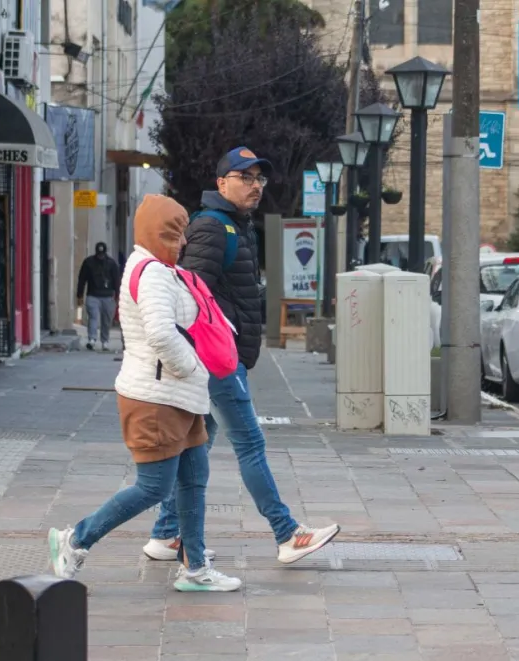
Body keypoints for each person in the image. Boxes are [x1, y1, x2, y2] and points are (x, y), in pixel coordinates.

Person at [143, 147, 340, 565]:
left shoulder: (238, 226)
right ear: (221, 183)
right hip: (216, 362)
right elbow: (189, 296)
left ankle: (165, 533)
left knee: (196, 447)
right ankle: (287, 533)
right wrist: (203, 357)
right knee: (250, 443)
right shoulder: (214, 228)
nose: (255, 186)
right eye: (245, 177)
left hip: (222, 358)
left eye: (259, 179)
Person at [49, 194, 241, 592]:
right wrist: (192, 368)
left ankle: (195, 567)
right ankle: (76, 539)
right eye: (176, 233)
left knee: (194, 479)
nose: (183, 242)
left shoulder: (161, 269)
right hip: (157, 399)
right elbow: (160, 334)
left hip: (178, 397)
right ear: (158, 232)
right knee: (154, 486)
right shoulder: (152, 272)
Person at [77, 241, 120, 351]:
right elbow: (82, 279)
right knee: (93, 317)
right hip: (93, 295)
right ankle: (92, 339)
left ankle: (105, 341)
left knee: (106, 321)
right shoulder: (88, 262)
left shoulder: (111, 264)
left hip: (108, 296)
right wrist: (79, 295)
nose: (100, 256)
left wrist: (118, 296)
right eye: (99, 254)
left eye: (102, 254)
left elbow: (116, 280)